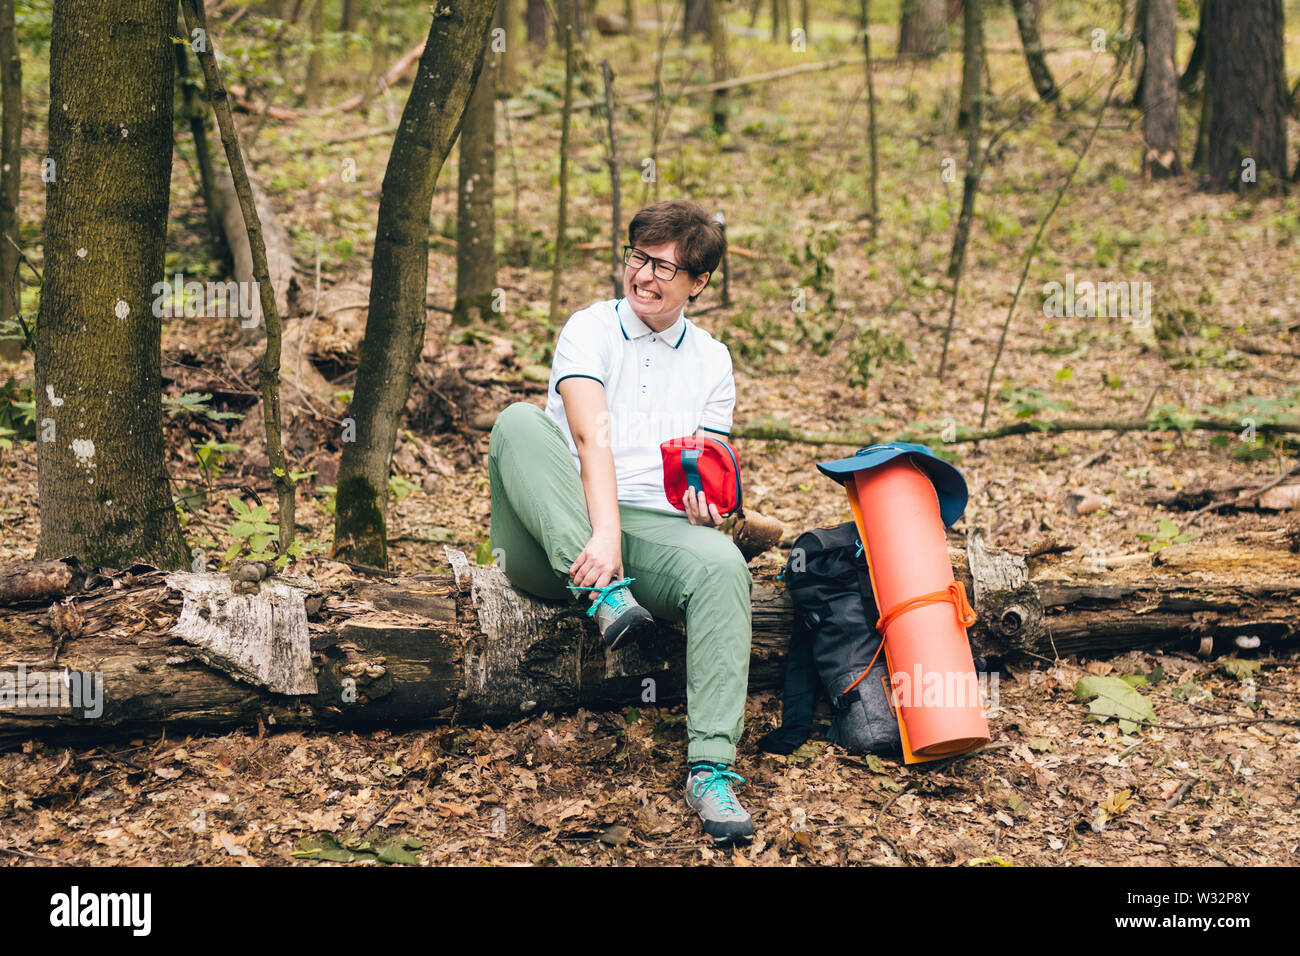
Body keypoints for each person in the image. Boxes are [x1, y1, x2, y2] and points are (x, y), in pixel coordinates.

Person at [487, 199, 755, 844]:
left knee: (721, 566)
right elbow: (589, 437)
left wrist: (704, 505)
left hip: (650, 530)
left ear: (699, 283)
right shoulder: (590, 327)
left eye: (667, 267)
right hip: (556, 530)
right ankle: (603, 592)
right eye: (640, 258)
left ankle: (711, 770)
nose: (647, 276)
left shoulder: (712, 361)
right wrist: (602, 538)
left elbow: (700, 465)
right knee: (520, 421)